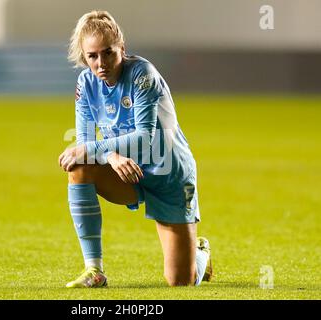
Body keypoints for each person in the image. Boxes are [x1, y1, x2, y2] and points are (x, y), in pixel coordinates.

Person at [58, 10, 213, 288]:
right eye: (92, 56)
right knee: (79, 166)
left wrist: (100, 150)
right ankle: (94, 270)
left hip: (170, 175)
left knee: (180, 281)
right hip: (129, 172)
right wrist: (111, 156)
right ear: (84, 56)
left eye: (108, 53)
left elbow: (144, 138)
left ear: (122, 49)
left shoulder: (143, 75)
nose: (101, 63)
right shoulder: (86, 83)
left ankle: (200, 252)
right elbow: (84, 144)